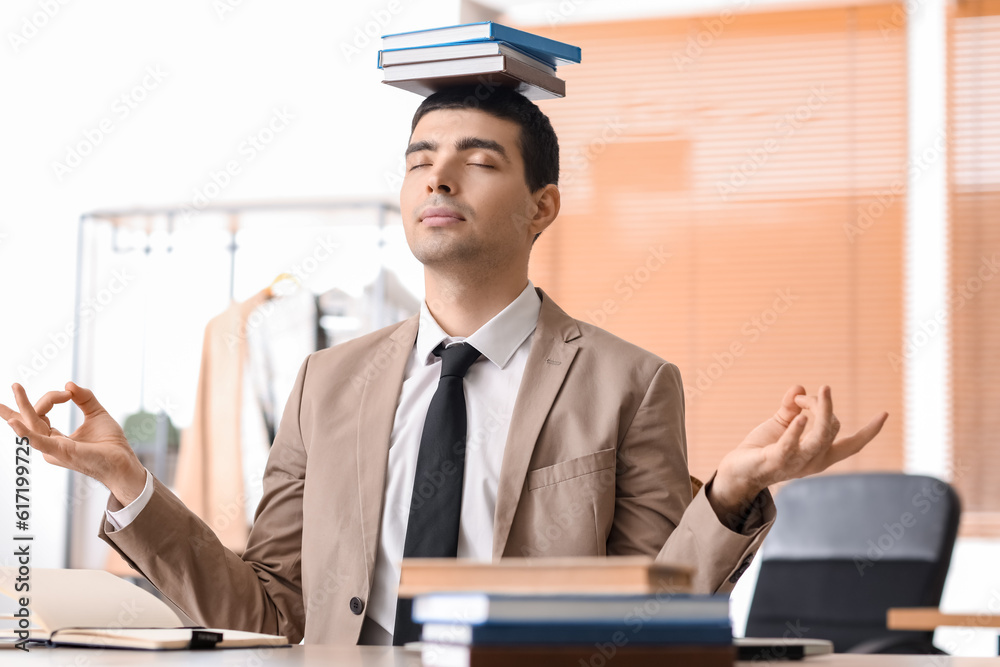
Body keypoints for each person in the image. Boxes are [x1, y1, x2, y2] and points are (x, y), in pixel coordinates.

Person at [1, 85, 888, 646]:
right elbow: (271, 611)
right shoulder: (327, 382)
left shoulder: (629, 382)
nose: (439, 179)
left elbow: (642, 623)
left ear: (542, 207)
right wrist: (129, 484)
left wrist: (728, 492)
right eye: (421, 161)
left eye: (477, 160)